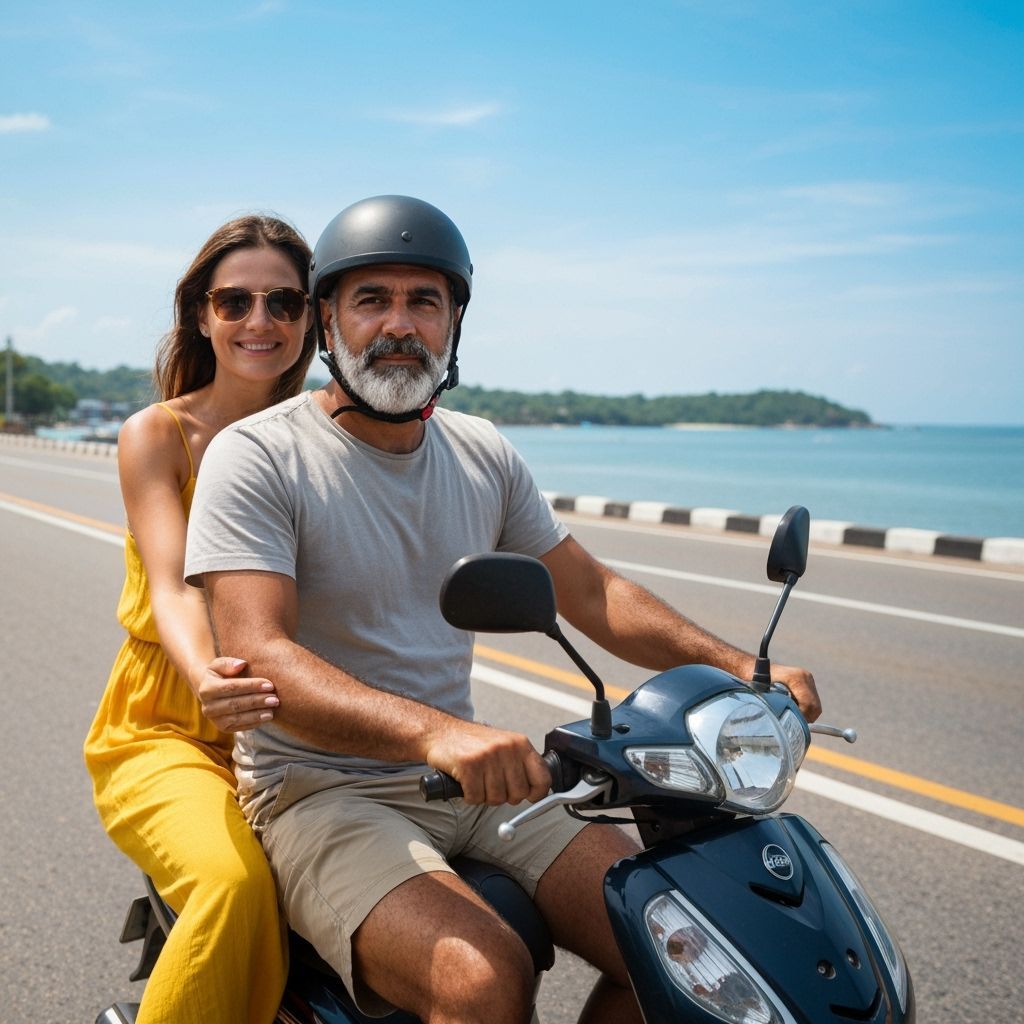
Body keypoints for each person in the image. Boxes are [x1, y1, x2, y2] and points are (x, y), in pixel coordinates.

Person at [184, 195, 821, 1024]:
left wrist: (742, 668)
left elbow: (590, 593)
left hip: (475, 788)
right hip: (320, 792)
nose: (399, 324)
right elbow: (263, 654)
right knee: (482, 982)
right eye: (372, 299)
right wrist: (437, 732)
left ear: (454, 321)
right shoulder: (259, 455)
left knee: (692, 947)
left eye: (426, 301)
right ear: (328, 319)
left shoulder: (482, 450)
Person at [83, 214, 316, 1024]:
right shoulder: (160, 434)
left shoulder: (327, 437)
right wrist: (207, 675)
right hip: (170, 728)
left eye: (285, 302)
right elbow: (173, 585)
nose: (261, 322)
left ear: (312, 317)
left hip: (300, 733)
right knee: (232, 885)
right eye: (236, 300)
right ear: (201, 314)